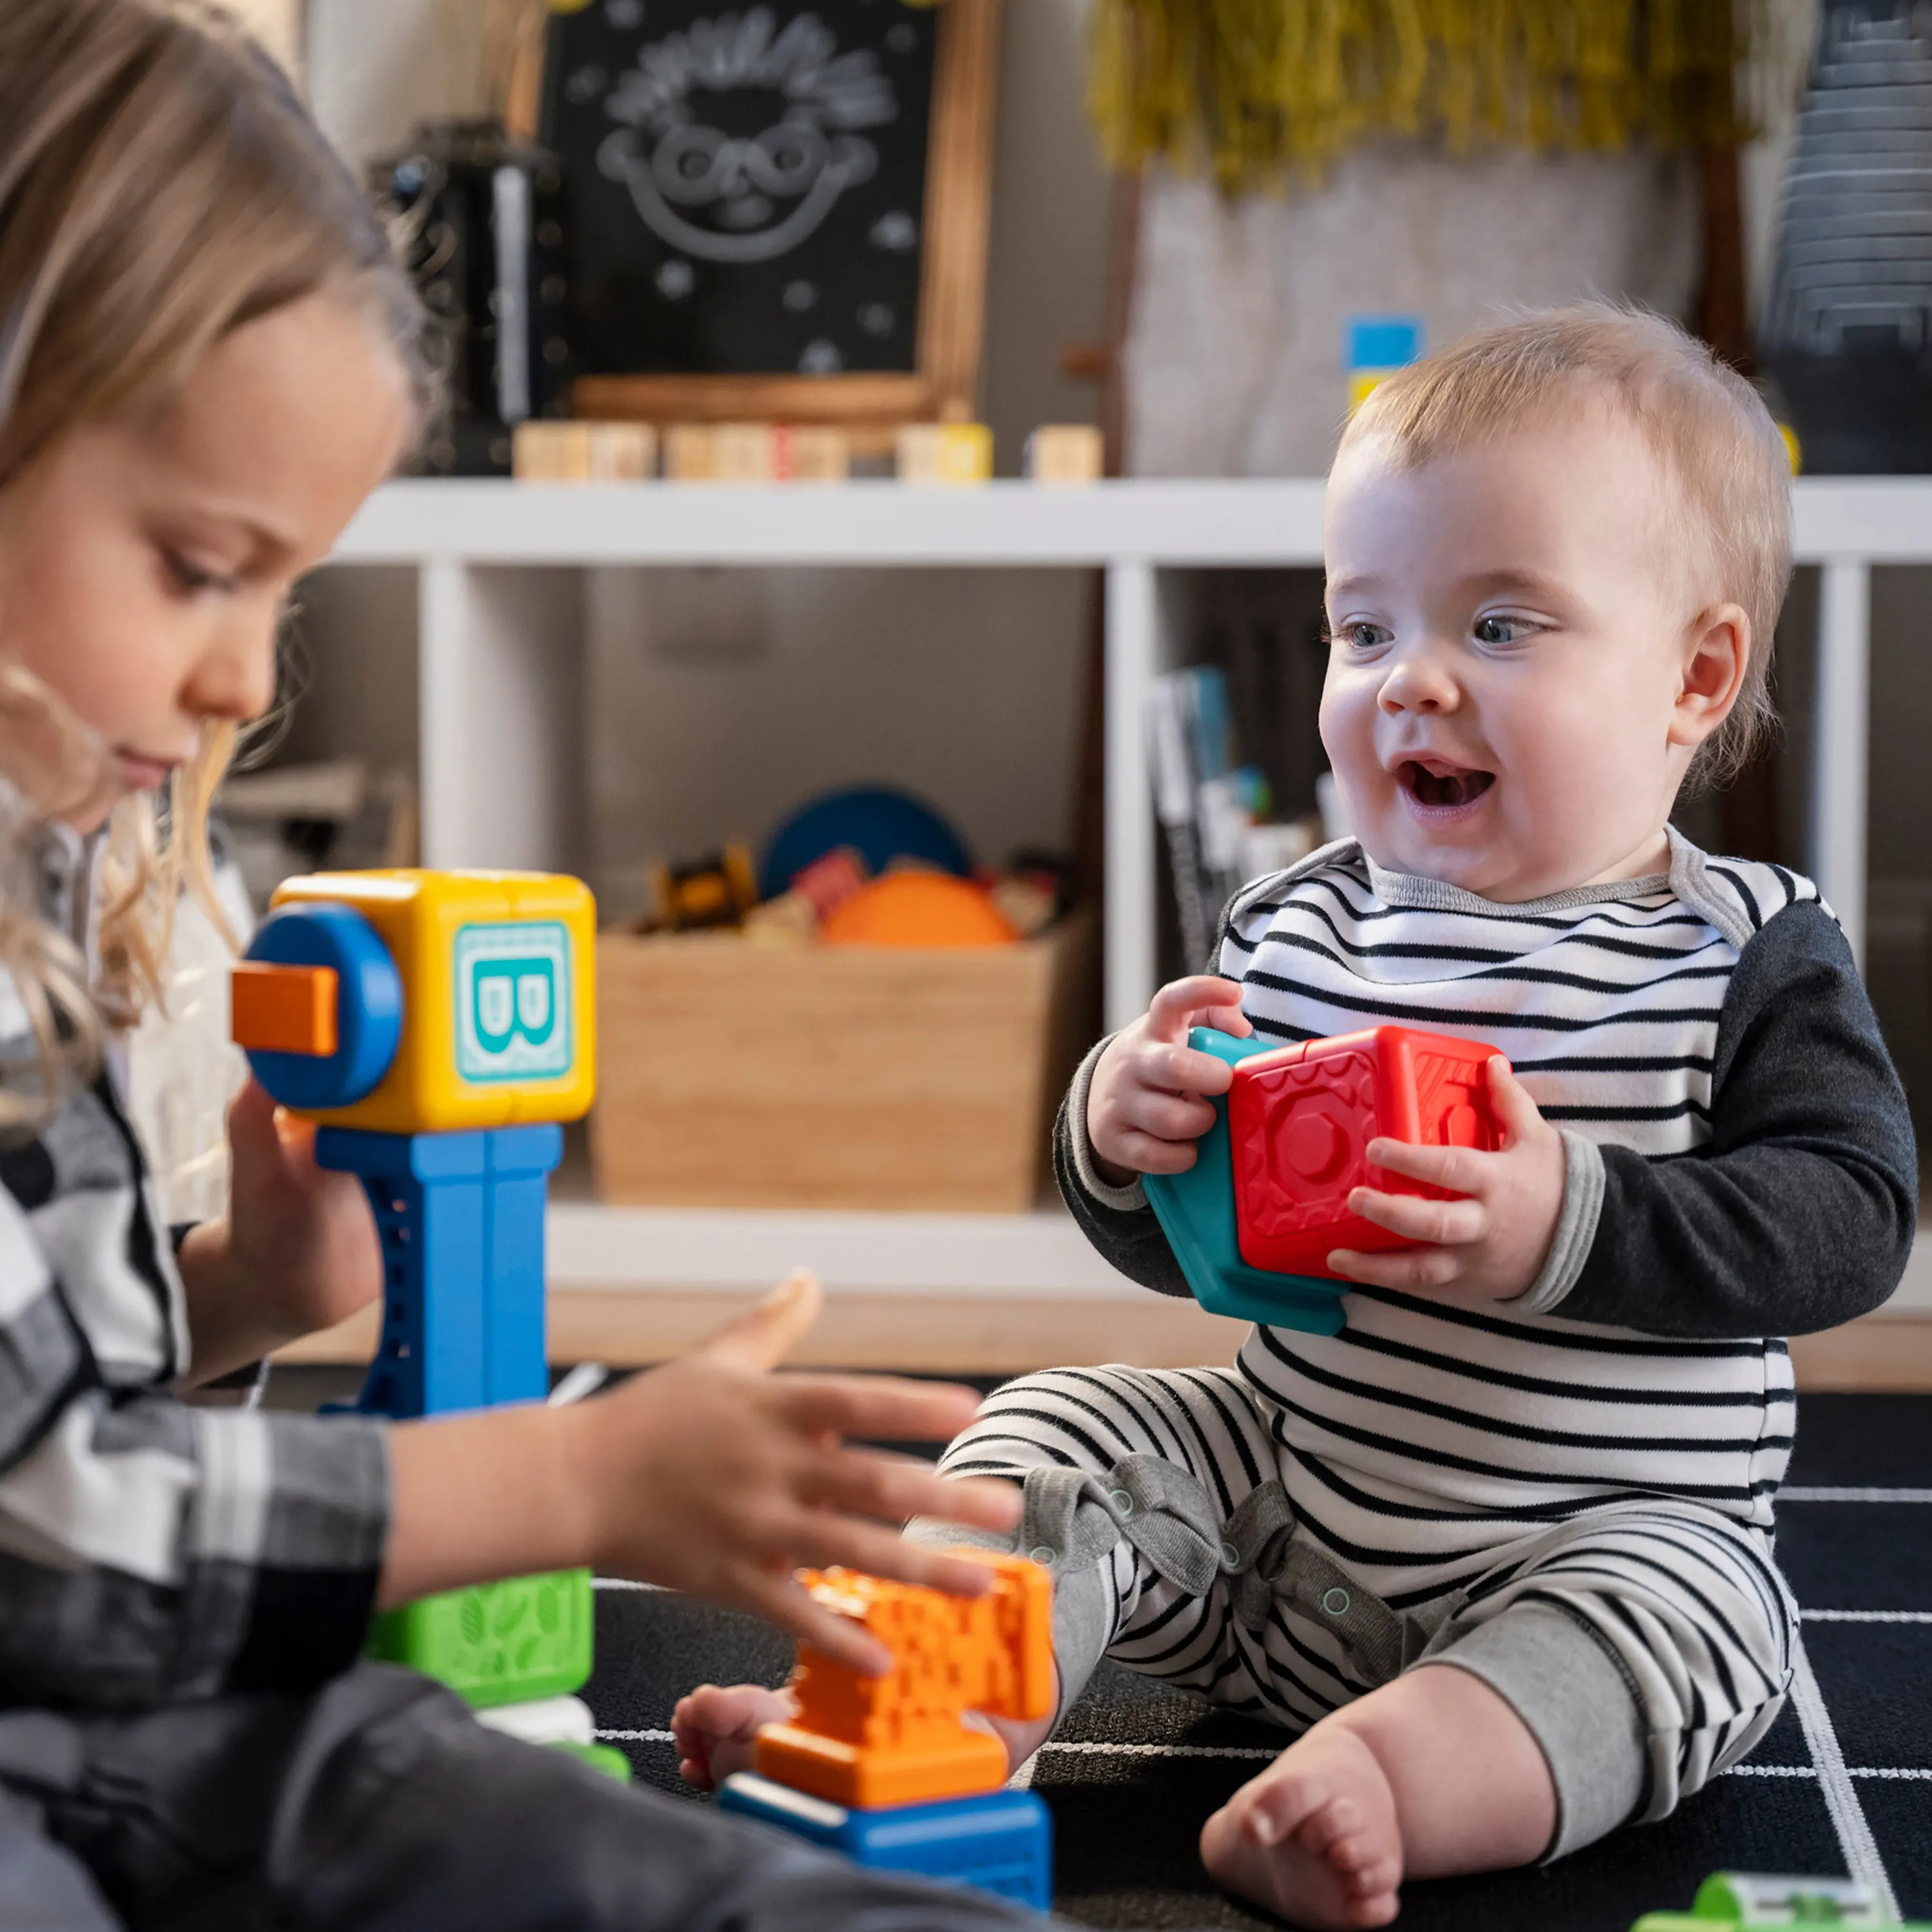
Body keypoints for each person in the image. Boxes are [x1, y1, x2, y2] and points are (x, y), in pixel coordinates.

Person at [0, 5, 1053, 1926]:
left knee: (574, 1840)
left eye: (283, 587)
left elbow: (37, 1397)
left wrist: (232, 1292)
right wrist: (571, 1489)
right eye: (194, 563)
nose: (246, 678)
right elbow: (47, 1535)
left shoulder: (45, 856)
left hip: (133, 1715)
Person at [674, 305, 1919, 1928]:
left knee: (1700, 1625)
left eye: (1502, 627)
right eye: (1363, 628)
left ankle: (1382, 1783)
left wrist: (1568, 1222)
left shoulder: (1741, 947)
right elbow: (1203, 1256)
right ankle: (917, 1718)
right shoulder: (1301, 928)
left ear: (1694, 675)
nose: (1412, 684)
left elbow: (1851, 1218)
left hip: (1592, 1539)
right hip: (1281, 1520)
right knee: (1060, 1426)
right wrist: (1123, 1135)